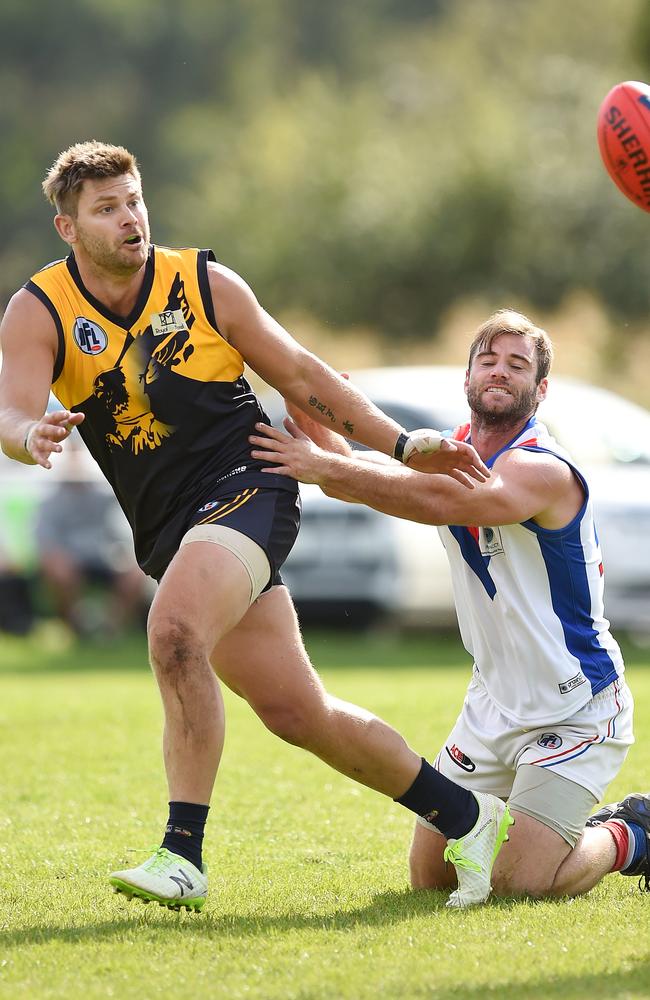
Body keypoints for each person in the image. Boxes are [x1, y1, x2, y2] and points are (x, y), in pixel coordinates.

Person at [0, 140, 511, 913]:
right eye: (107, 209)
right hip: (170, 525)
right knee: (298, 714)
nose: (130, 217)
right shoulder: (39, 309)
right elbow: (11, 407)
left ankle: (183, 855)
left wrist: (405, 445)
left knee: (173, 634)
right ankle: (468, 818)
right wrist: (26, 434)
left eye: (134, 199)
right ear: (68, 229)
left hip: (251, 484)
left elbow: (304, 375)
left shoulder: (204, 283)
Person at [250, 309, 648, 900]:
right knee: (432, 879)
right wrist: (316, 420)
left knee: (519, 884)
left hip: (576, 708)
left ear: (540, 390)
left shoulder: (540, 467)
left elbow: (438, 502)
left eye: (518, 365)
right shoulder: (452, 454)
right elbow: (367, 479)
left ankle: (631, 833)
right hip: (492, 705)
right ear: (466, 380)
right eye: (487, 360)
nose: (499, 371)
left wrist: (326, 462)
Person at [34, 432, 150, 638]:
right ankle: (74, 628)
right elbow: (46, 540)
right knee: (58, 570)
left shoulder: (107, 495)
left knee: (136, 572)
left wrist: (123, 555)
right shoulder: (50, 501)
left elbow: (123, 534)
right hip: (72, 559)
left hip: (106, 558)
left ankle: (111, 630)